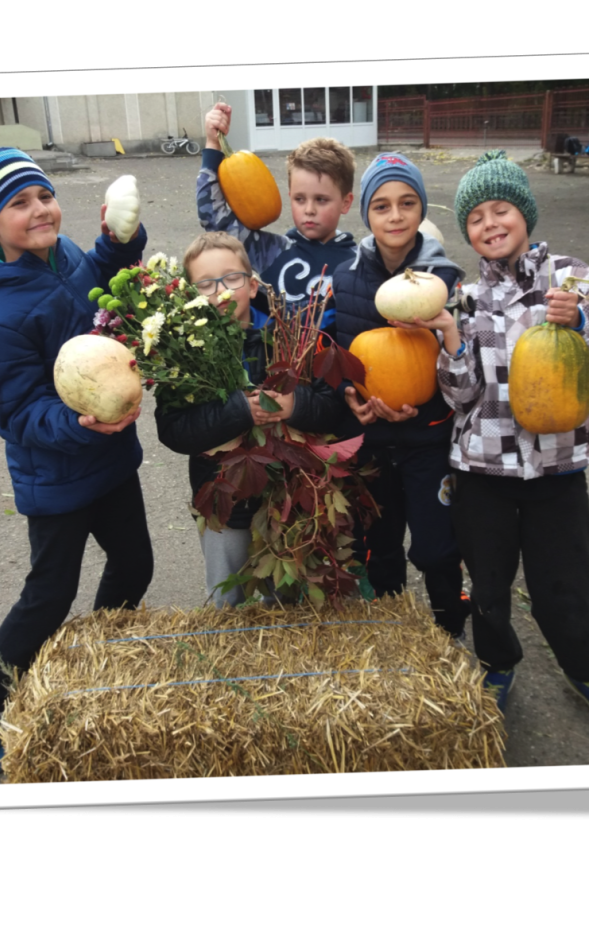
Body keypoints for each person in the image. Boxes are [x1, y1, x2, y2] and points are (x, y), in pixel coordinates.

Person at [395, 149, 589, 734]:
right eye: (476, 218)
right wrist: (450, 338)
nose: (490, 224)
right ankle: (498, 663)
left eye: (501, 210)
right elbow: (461, 396)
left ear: (525, 214)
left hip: (558, 469)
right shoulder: (465, 299)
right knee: (490, 585)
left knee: (566, 582)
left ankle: (586, 671)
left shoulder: (571, 279)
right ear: (468, 234)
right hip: (483, 471)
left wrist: (577, 323)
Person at [0, 147, 156, 773]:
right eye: (18, 203)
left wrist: (119, 243)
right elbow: (17, 415)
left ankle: (97, 654)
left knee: (136, 563)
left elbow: (94, 290)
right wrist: (82, 424)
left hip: (109, 457)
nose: (39, 210)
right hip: (56, 476)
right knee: (49, 594)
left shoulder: (61, 258)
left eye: (43, 196)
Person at [155, 231, 346, 607]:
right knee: (227, 601)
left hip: (289, 499)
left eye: (231, 279)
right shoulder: (183, 356)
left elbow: (332, 406)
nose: (220, 292)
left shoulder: (288, 338)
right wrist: (241, 411)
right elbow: (174, 430)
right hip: (223, 501)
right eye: (205, 284)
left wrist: (296, 406)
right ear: (188, 295)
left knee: (288, 599)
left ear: (253, 285)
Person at [330, 152, 470, 641]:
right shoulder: (345, 278)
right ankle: (391, 630)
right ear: (366, 213)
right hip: (371, 440)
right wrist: (349, 392)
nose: (395, 215)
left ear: (421, 209)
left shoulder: (443, 282)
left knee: (436, 547)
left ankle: (451, 624)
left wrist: (427, 403)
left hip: (428, 438)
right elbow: (338, 352)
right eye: (382, 205)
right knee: (378, 543)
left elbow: (458, 357)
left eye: (407, 203)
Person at [197, 102, 357, 325]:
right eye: (300, 199)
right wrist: (213, 145)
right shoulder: (270, 251)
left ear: (345, 202)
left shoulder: (358, 263)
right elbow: (213, 219)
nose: (309, 210)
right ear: (289, 195)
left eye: (321, 200)